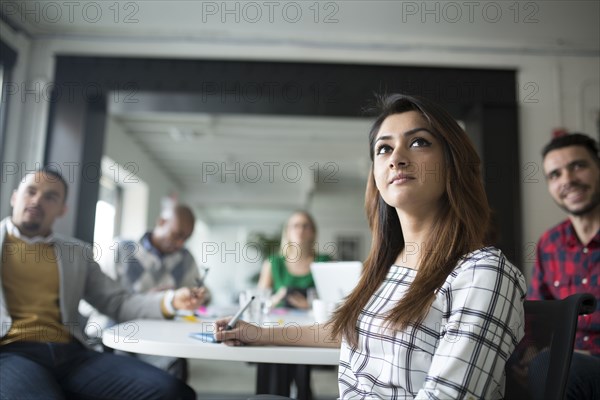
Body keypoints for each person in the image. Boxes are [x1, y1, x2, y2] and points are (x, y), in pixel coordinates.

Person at [215, 94, 526, 399]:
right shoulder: (385, 268)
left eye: (418, 142)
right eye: (384, 148)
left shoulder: (482, 272)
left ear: (453, 163)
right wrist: (259, 333)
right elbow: (350, 330)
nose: (396, 158)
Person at [0, 167, 198, 399]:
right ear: (15, 196)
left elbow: (118, 301)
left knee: (174, 392)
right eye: (30, 191)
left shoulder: (77, 253)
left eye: (50, 196)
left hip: (71, 352)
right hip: (12, 352)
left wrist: (171, 301)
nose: (37, 200)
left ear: (63, 209)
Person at [528, 132, 600, 399]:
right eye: (555, 174)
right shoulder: (550, 243)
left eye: (578, 166)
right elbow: (536, 320)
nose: (568, 180)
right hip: (562, 364)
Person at [105, 203, 210, 381]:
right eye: (177, 235)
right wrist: (153, 300)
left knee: (175, 372)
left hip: (161, 336)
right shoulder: (120, 249)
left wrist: (194, 298)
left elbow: (202, 297)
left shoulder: (185, 259)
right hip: (118, 334)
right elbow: (102, 299)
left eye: (186, 238)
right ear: (161, 222)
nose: (180, 243)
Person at [257, 210, 330, 310]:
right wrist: (278, 297)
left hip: (313, 323)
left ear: (313, 232)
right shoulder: (273, 262)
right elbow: (259, 301)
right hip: (279, 321)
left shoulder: (324, 262)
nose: (300, 230)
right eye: (295, 226)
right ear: (287, 232)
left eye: (305, 226)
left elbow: (333, 300)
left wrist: (309, 305)